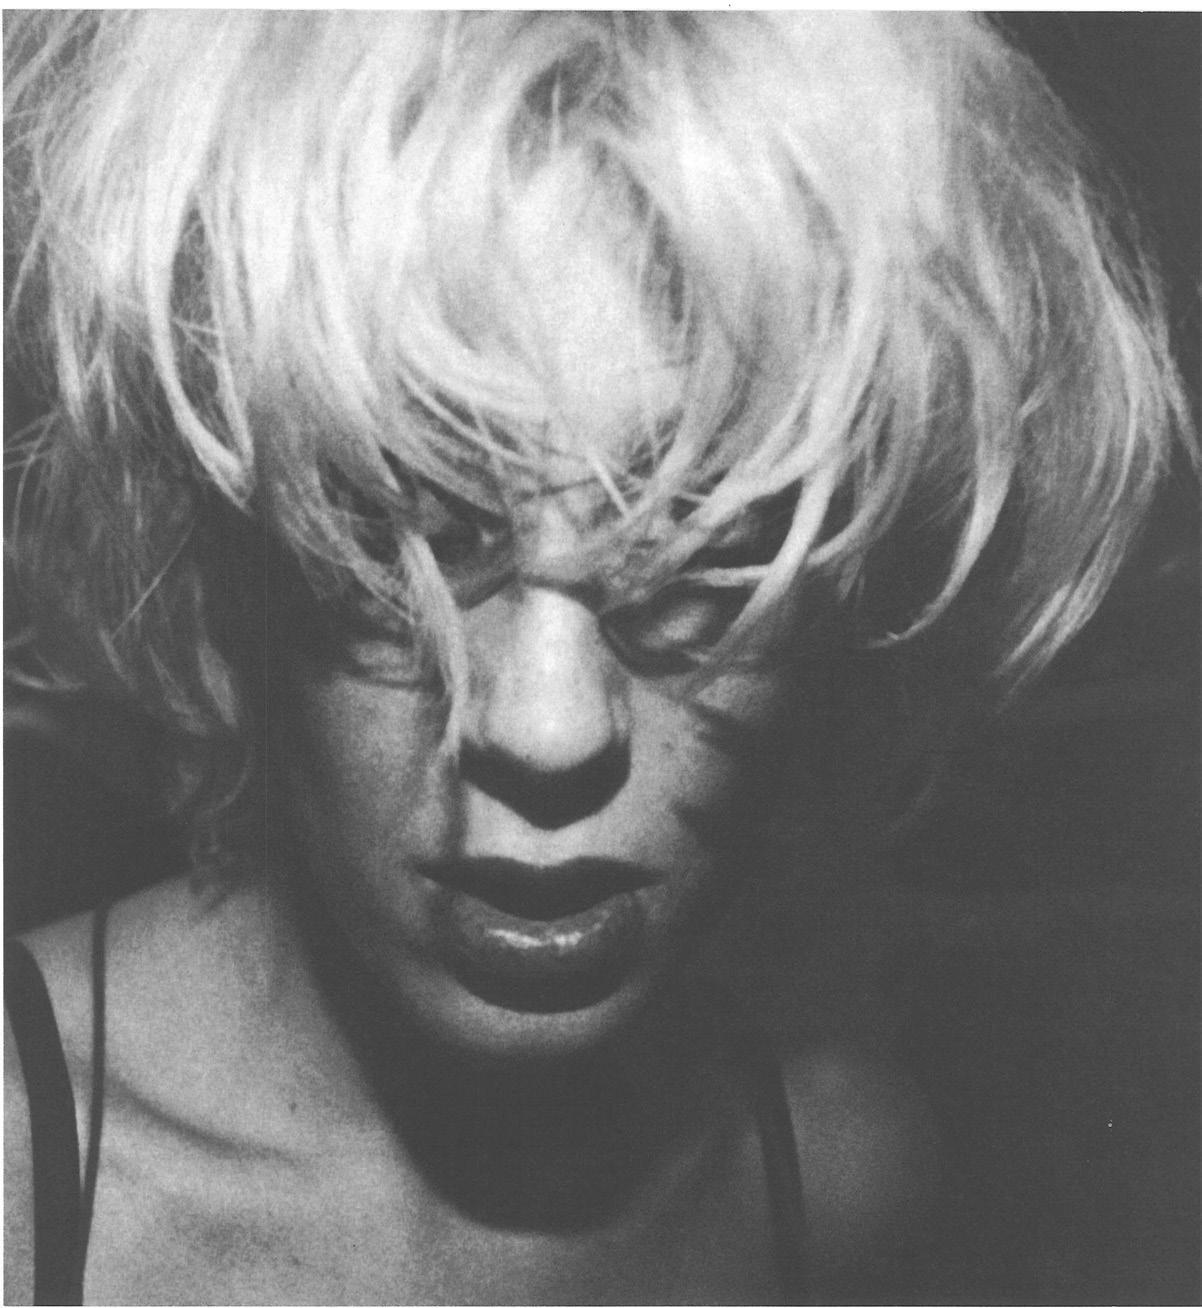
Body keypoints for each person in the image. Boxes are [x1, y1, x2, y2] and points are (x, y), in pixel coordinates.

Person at [3, 12, 1190, 1305]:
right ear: (228, 571)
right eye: (405, 533)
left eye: (705, 542)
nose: (548, 725)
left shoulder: (835, 1177)